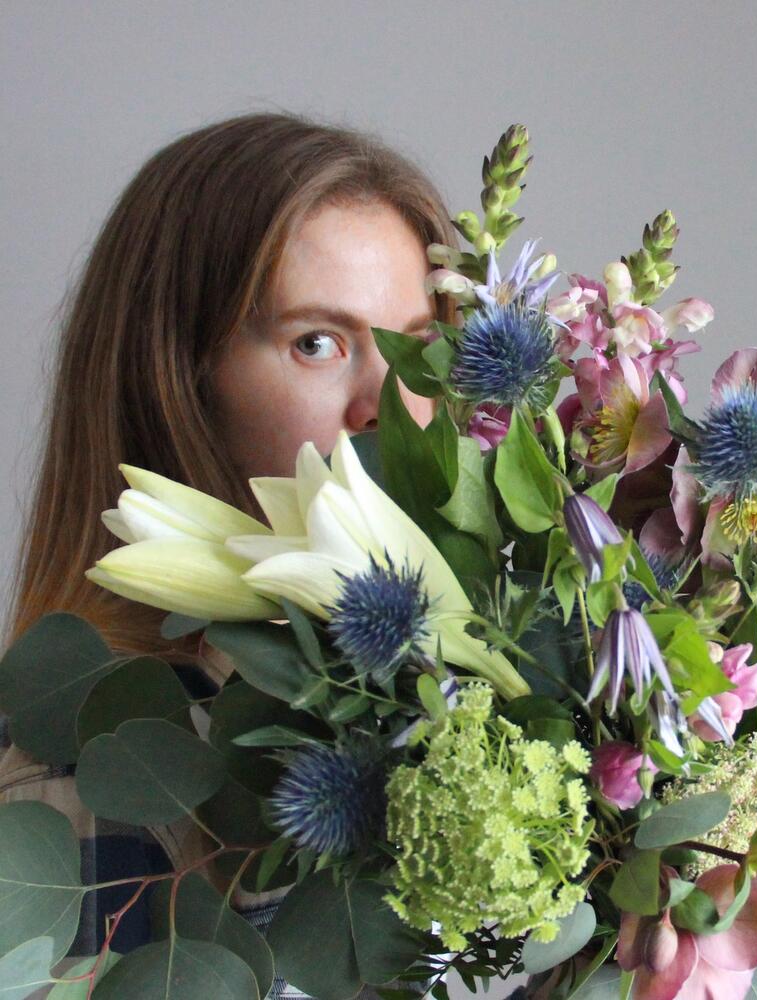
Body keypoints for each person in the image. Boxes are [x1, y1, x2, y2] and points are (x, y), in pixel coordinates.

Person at [0, 111, 457, 998]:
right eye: (316, 343)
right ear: (174, 382)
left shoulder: (417, 707)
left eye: (417, 347)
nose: (387, 403)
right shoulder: (89, 784)